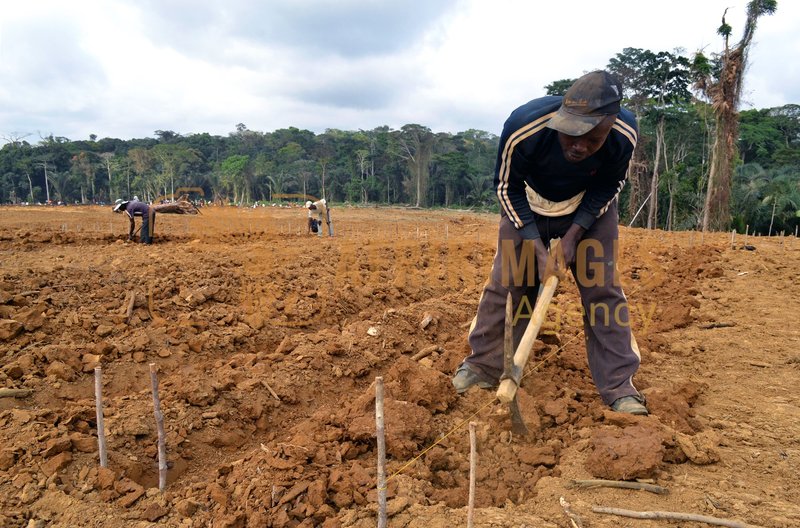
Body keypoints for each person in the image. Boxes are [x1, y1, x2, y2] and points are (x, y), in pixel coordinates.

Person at [452, 70, 647, 415]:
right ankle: (482, 366)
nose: (579, 146)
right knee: (509, 283)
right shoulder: (525, 126)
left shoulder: (623, 134)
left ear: (611, 124)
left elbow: (609, 186)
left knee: (601, 290)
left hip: (589, 208)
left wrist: (574, 236)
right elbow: (505, 188)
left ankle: (619, 386)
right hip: (529, 204)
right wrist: (537, 249)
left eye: (592, 139)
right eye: (572, 135)